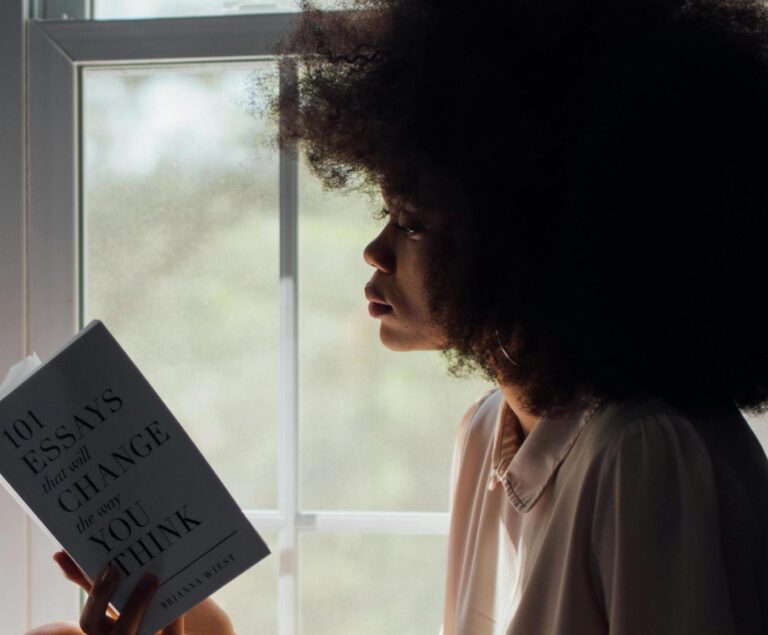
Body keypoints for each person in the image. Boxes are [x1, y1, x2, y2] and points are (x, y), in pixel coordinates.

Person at [32, 0, 768, 632]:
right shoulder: (490, 431)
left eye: (412, 224)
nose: (375, 249)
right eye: (388, 213)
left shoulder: (643, 451)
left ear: (525, 242)